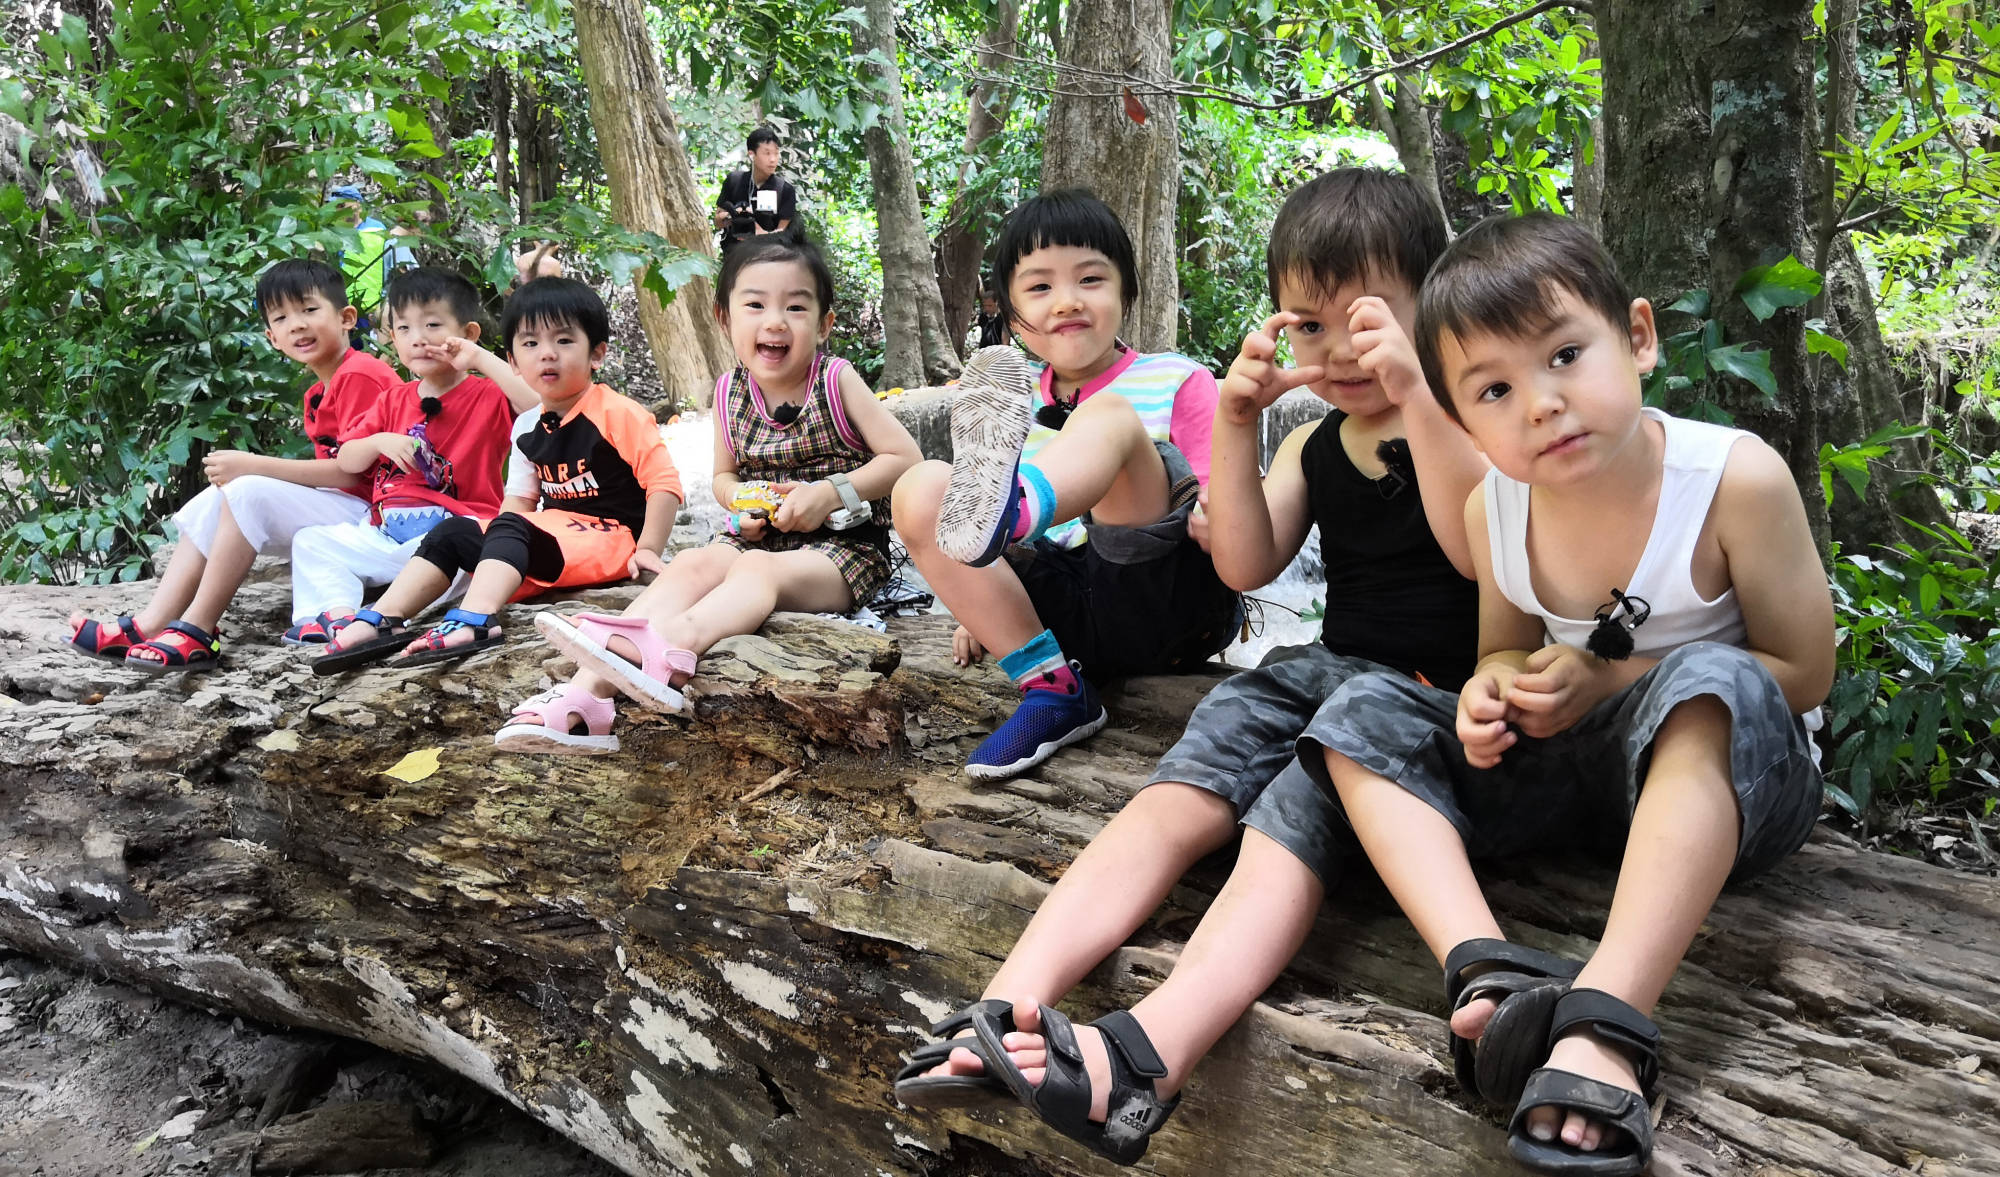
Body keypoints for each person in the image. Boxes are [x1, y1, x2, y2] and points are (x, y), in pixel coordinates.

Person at [892, 169, 1490, 1166]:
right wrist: (1249, 429)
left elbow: (1477, 549)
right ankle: (1002, 1002)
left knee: (1280, 828)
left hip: (1425, 699)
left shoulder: (1473, 422)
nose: (1336, 351)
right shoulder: (1318, 445)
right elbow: (1248, 563)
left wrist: (1419, 396)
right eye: (1307, 326)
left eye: (1365, 320)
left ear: (1435, 303)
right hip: (1323, 666)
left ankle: (1138, 1061)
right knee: (1170, 797)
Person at [1309, 213, 1833, 1176]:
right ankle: (1484, 963)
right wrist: (1491, 695)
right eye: (1496, 389)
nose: (1543, 403)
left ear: (1637, 337)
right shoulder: (1494, 505)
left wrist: (1608, 677)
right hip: (1584, 778)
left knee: (1705, 679)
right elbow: (1499, 655)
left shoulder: (1732, 481)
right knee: (1357, 711)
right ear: (1464, 421)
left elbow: (1804, 672)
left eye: (1565, 355)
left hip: (1729, 780)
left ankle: (1607, 1021)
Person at [495, 236, 922, 754]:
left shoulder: (835, 381)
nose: (775, 320)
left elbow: (905, 460)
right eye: (756, 304)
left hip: (842, 551)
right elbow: (724, 479)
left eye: (796, 306)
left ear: (824, 322)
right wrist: (745, 505)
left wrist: (831, 493)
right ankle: (587, 696)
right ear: (724, 318)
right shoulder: (728, 392)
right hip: (762, 537)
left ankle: (675, 646)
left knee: (754, 571)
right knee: (695, 561)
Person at [892, 189, 1239, 781]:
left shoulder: (1180, 380)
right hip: (1058, 613)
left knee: (1108, 418)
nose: (1068, 302)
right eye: (1040, 287)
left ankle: (1012, 513)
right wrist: (981, 599)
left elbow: (1228, 513)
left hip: (1160, 599)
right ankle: (1053, 690)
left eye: (1091, 280)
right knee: (920, 486)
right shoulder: (1009, 390)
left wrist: (1218, 515)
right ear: (1011, 309)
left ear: (1126, 289)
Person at [313, 277, 684, 673]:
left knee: (510, 528)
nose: (547, 355)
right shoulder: (527, 424)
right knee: (455, 531)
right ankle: (385, 617)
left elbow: (663, 484)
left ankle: (476, 619)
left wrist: (648, 549)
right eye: (530, 344)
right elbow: (520, 503)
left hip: (612, 536)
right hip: (553, 536)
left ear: (597, 354)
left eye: (563, 341)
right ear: (512, 361)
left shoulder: (618, 412)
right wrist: (490, 537)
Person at [66, 259, 399, 670]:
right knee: (221, 495)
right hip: (352, 511)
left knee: (246, 488)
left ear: (346, 318)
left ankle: (199, 628)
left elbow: (353, 474)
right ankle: (150, 623)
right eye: (281, 318)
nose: (297, 325)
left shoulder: (362, 375)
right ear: (271, 337)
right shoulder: (318, 392)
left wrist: (255, 465)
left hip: (385, 516)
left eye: (310, 310)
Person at [282, 267, 541, 644]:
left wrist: (479, 359)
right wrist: (378, 442)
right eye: (403, 329)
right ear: (392, 339)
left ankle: (398, 613)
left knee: (460, 556)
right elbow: (347, 461)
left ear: (468, 333)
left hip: (447, 541)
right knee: (312, 541)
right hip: (386, 538)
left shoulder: (487, 395)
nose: (418, 339)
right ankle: (336, 615)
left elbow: (534, 406)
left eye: (433, 325)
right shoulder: (393, 399)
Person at [329, 184, 416, 335]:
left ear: (357, 206)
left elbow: (397, 271)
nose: (337, 210)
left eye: (342, 205)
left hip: (371, 311)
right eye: (334, 206)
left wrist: (384, 308)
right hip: (342, 309)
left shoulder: (379, 233)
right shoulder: (333, 233)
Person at [712, 126, 796, 252]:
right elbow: (717, 221)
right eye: (767, 153)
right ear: (752, 155)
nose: (773, 159)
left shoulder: (784, 189)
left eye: (776, 153)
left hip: (767, 259)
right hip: (734, 257)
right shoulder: (734, 181)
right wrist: (734, 216)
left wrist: (760, 233)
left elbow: (781, 233)